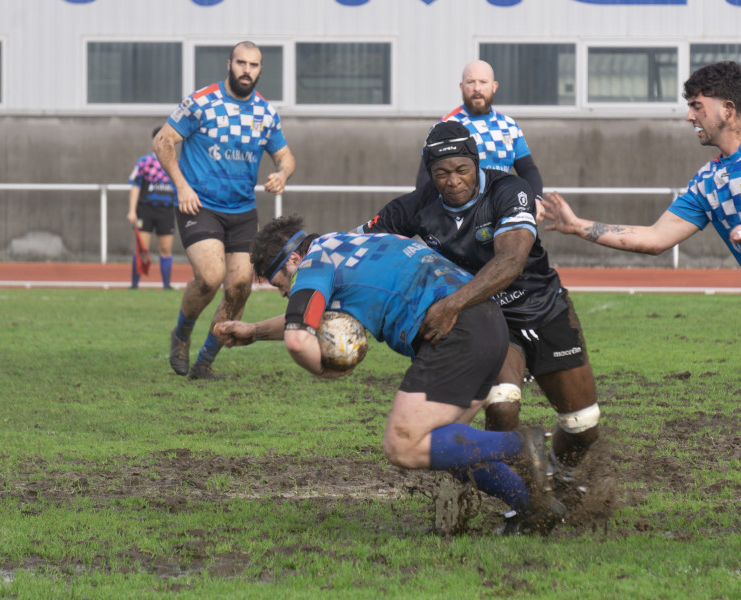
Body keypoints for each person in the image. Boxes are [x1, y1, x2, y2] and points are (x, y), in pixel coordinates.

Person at [542, 61, 741, 527]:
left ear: (727, 110)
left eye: (696, 106)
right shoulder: (708, 181)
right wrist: (578, 227)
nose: (689, 117)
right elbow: (654, 238)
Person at [213, 215, 567, 535]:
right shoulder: (349, 243)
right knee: (446, 447)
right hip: (487, 325)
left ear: (293, 260)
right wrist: (255, 330)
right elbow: (305, 315)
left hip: (455, 335)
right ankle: (534, 506)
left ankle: (521, 446)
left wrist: (323, 369)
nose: (284, 292)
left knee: (404, 444)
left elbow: (296, 338)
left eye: (280, 283)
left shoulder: (312, 264)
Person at [359, 120, 602, 491]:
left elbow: (510, 261)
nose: (452, 180)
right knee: (503, 405)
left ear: (476, 164)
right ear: (429, 173)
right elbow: (357, 243)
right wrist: (309, 256)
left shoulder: (509, 190)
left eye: (461, 170)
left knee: (582, 425)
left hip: (543, 307)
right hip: (492, 319)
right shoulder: (417, 205)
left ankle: (561, 475)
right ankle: (521, 496)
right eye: (441, 173)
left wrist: (451, 304)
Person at [153, 41, 297, 380]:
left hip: (242, 211)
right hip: (199, 204)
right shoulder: (201, 102)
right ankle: (182, 333)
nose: (247, 70)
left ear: (261, 70)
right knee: (210, 276)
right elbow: (163, 140)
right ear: (229, 64)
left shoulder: (265, 113)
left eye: (254, 65)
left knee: (240, 287)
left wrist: (282, 173)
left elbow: (286, 156)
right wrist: (181, 186)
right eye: (241, 63)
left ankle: (204, 363)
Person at [414, 60, 544, 203]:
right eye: (470, 82)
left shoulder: (509, 126)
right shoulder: (444, 127)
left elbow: (528, 170)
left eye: (483, 82)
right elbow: (425, 177)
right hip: (459, 216)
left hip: (501, 211)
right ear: (462, 87)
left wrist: (536, 200)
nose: (477, 88)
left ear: (494, 87)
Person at [126, 126, 177, 290]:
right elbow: (135, 186)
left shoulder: (176, 164)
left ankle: (166, 285)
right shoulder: (144, 162)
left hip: (166, 211)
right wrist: (132, 210)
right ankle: (134, 285)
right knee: (142, 248)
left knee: (165, 249)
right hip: (146, 210)